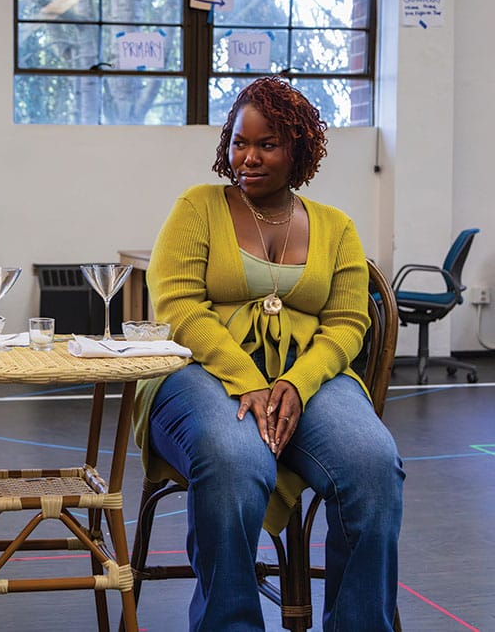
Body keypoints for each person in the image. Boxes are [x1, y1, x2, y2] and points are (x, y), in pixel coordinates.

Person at [132, 76, 404, 631]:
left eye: (266, 145)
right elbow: (178, 308)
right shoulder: (198, 207)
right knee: (235, 460)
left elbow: (349, 322)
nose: (247, 158)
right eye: (238, 142)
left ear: (298, 150)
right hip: (199, 371)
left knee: (373, 467)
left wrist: (298, 384)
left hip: (306, 379)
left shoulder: (336, 227)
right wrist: (246, 378)